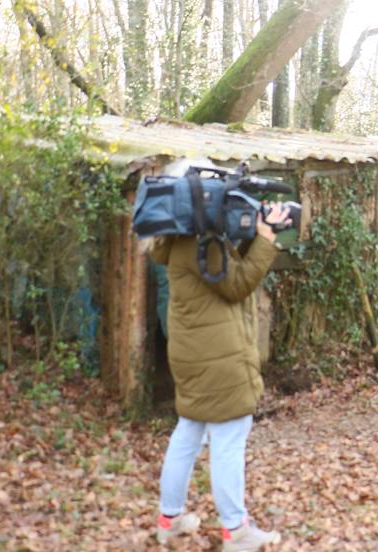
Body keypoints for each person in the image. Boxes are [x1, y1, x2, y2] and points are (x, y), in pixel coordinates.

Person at [149, 203, 289, 551]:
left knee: (189, 432)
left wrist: (250, 236)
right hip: (218, 359)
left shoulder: (183, 239)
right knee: (228, 438)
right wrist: (267, 238)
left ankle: (170, 519)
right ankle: (236, 531)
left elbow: (226, 271)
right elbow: (238, 283)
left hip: (194, 354)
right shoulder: (202, 242)